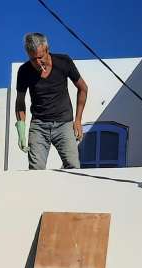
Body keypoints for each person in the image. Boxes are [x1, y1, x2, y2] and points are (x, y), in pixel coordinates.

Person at [14, 32, 89, 170]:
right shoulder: (24, 71)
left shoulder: (63, 62)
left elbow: (83, 88)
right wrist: (21, 130)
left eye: (40, 57)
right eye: (32, 59)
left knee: (73, 166)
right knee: (36, 169)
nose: (37, 62)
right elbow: (20, 102)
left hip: (64, 124)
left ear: (47, 50)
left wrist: (78, 120)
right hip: (39, 126)